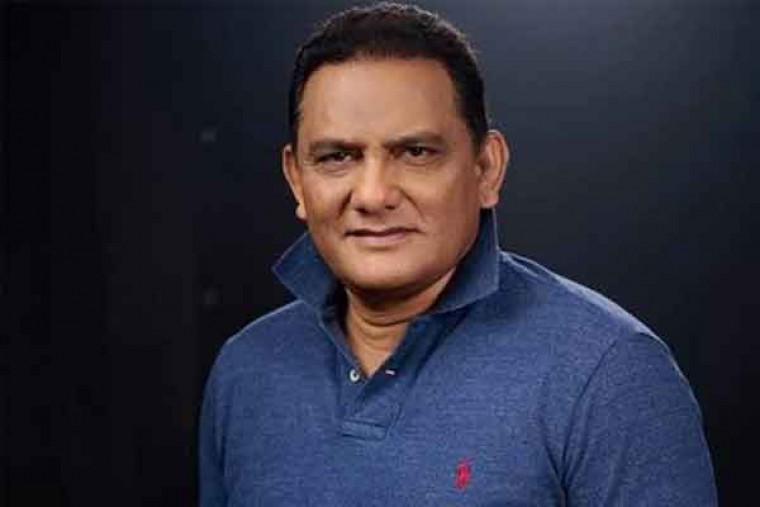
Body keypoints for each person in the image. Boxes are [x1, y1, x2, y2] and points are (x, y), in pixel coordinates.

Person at [199, 3, 717, 505]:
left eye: (416, 152)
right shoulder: (246, 370)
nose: (373, 195)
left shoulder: (608, 374)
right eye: (337, 157)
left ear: (487, 169)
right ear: (296, 179)